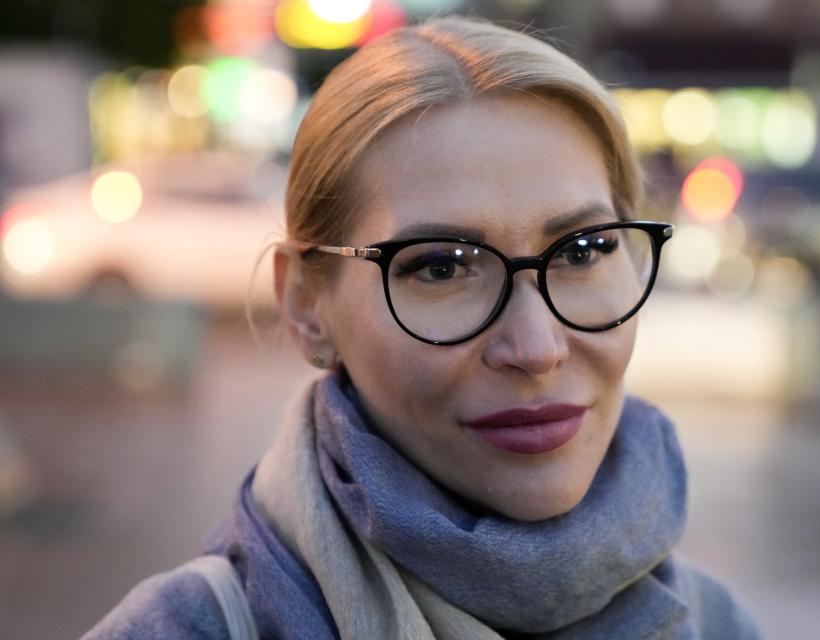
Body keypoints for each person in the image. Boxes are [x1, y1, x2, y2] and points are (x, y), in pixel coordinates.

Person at [83, 16, 762, 639]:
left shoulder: (719, 622)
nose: (536, 348)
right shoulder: (183, 629)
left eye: (583, 252)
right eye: (442, 267)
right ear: (306, 306)